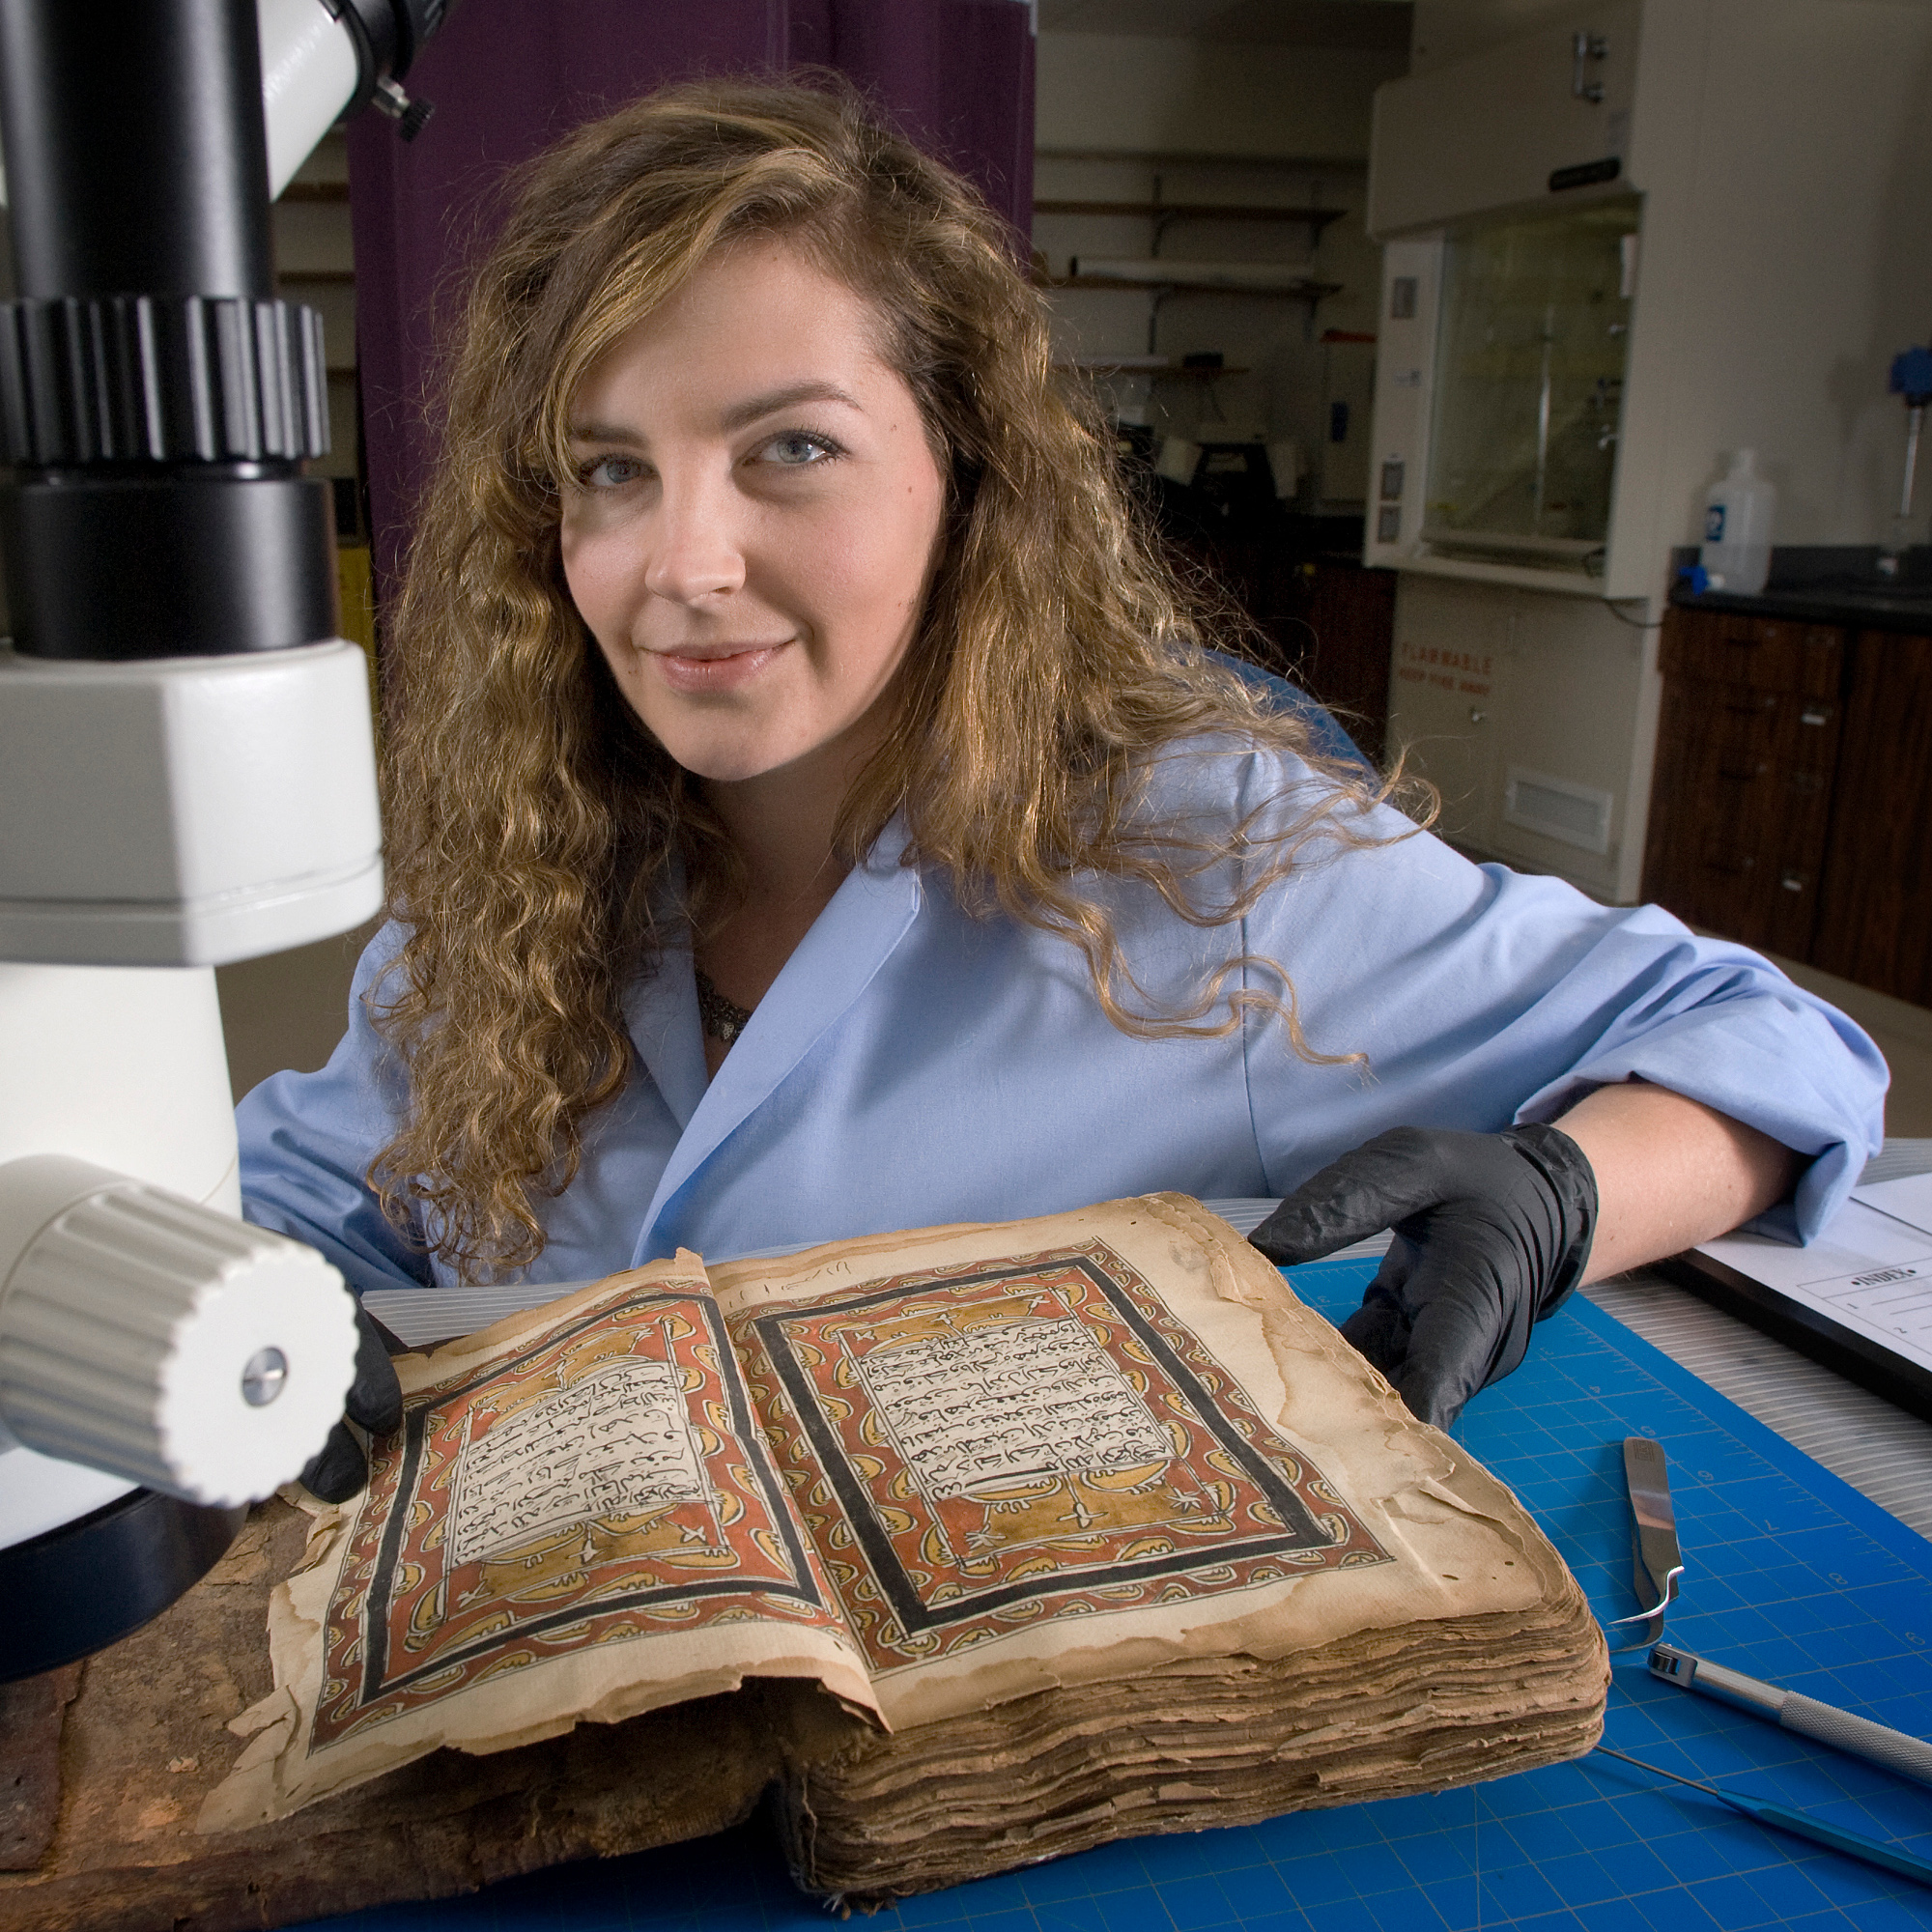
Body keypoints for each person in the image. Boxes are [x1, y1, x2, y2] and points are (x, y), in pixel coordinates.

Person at [240, 78, 1886, 1496]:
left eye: (789, 451)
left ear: (965, 479)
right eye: (612, 470)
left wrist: (1562, 1192)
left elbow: (1769, 1041)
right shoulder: (539, 859)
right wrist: (263, 1289)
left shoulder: (1200, 857)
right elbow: (314, 1190)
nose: (682, 564)